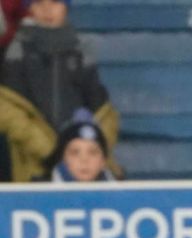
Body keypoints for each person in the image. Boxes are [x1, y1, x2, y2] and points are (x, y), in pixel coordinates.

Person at [0, 0, 119, 183]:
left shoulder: (81, 49)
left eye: (55, 2)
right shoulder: (16, 51)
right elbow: (8, 109)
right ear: (29, 8)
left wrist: (91, 148)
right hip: (33, 166)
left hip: (82, 166)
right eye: (39, 3)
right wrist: (49, 149)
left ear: (66, 6)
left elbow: (103, 110)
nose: (47, 9)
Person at [42, 112, 115, 182]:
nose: (84, 159)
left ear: (103, 161)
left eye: (93, 152)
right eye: (75, 152)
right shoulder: (37, 189)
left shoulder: (122, 189)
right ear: (62, 158)